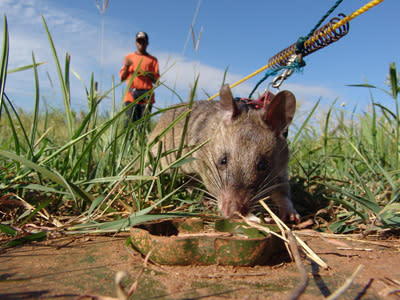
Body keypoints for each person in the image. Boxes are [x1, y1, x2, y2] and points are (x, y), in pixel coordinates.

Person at [120, 31, 160, 129]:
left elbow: (157, 81)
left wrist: (146, 73)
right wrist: (126, 66)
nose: (141, 43)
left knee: (144, 126)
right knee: (129, 125)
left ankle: (142, 144)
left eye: (143, 41)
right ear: (136, 42)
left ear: (147, 43)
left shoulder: (153, 60)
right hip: (131, 95)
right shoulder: (129, 58)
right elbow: (122, 78)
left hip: (146, 96)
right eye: (139, 41)